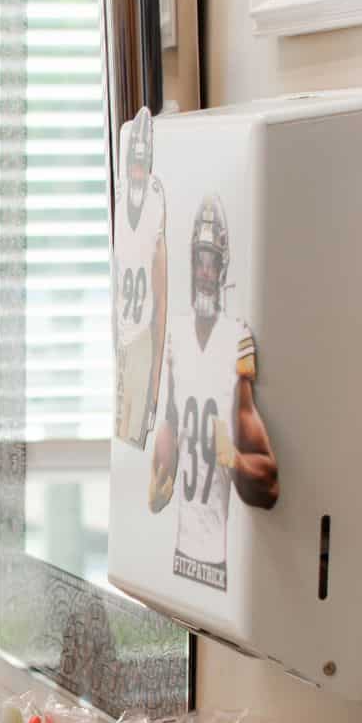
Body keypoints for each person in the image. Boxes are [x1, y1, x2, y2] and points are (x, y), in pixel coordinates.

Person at [150, 194, 279, 592]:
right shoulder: (175, 337)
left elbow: (268, 480)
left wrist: (233, 459)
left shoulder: (235, 340)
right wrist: (158, 479)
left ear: (223, 268)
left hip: (216, 563)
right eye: (200, 261)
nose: (205, 272)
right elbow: (170, 420)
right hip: (178, 557)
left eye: (213, 262)